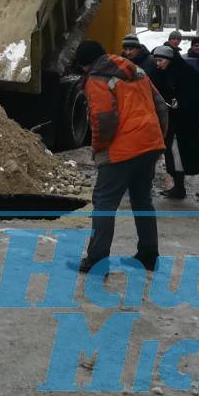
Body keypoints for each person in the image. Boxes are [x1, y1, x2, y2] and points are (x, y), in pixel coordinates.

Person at [72, 40, 168, 273]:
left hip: (122, 149)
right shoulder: (135, 69)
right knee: (142, 200)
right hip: (149, 143)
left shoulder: (97, 79)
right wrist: (157, 138)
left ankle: (97, 261)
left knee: (104, 204)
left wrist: (98, 148)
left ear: (85, 65)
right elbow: (160, 106)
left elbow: (103, 119)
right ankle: (148, 255)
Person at [148, 45, 199, 199]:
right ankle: (177, 184)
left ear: (170, 59)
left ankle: (180, 186)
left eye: (161, 60)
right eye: (156, 60)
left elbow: (195, 95)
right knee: (171, 153)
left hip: (184, 122)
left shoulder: (187, 73)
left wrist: (179, 103)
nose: (158, 63)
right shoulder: (159, 73)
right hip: (169, 121)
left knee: (179, 154)